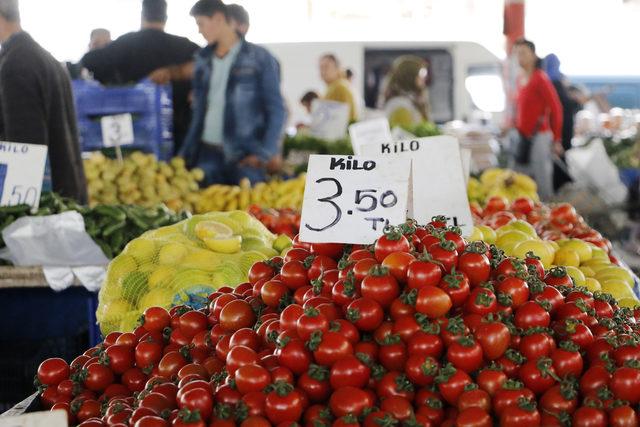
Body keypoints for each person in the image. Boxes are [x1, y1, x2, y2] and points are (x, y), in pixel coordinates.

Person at [180, 0, 286, 185]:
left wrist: (265, 153)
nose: (199, 30)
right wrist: (185, 153)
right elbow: (198, 113)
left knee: (248, 212)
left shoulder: (260, 58)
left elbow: (276, 109)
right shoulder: (202, 60)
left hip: (245, 157)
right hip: (207, 155)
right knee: (204, 211)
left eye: (201, 23)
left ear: (219, 19)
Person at [81, 0, 200, 153]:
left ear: (142, 16)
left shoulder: (126, 43)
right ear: (165, 18)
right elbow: (208, 66)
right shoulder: (186, 47)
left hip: (133, 137)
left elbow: (90, 61)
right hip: (178, 135)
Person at [0, 0, 87, 202]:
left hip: (48, 204)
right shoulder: (44, 57)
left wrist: (20, 210)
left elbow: (25, 149)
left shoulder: (16, 64)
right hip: (68, 192)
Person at [512, 39, 563, 200]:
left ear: (533, 55)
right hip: (523, 137)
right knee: (521, 179)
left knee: (542, 179)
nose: (520, 57)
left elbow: (556, 109)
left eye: (523, 53)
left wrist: (556, 139)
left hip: (540, 136)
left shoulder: (540, 78)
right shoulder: (520, 79)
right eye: (517, 54)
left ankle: (547, 212)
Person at [544, 53, 578, 191]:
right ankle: (561, 189)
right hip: (560, 129)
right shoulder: (555, 82)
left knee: (558, 161)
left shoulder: (550, 80)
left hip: (558, 128)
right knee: (559, 162)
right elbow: (561, 107)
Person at [382, 55, 430, 128]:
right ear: (410, 76)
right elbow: (406, 136)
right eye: (421, 75)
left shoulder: (412, 100)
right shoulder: (401, 105)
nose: (424, 79)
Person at [319, 54, 357, 122]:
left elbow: (335, 121)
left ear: (337, 69)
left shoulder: (340, 87)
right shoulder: (333, 87)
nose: (322, 71)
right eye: (321, 68)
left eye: (326, 67)